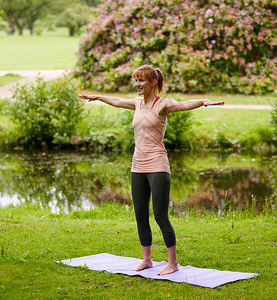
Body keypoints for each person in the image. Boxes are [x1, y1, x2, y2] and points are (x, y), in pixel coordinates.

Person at [79, 65, 225, 276]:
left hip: (157, 165)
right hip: (137, 165)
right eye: (135, 80)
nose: (137, 84)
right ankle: (147, 260)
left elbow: (183, 104)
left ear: (153, 83)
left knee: (160, 215)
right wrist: (98, 97)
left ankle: (172, 263)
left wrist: (203, 102)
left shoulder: (162, 105)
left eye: (141, 81)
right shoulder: (137, 103)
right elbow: (118, 102)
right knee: (140, 214)